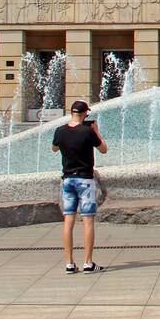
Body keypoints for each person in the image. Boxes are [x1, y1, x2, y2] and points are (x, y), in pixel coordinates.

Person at [52, 99, 108, 273]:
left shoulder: (60, 131)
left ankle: (69, 263)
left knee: (68, 220)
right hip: (85, 180)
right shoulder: (87, 132)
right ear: (85, 114)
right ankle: (88, 263)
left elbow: (54, 149)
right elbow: (104, 149)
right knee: (88, 221)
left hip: (67, 180)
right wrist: (96, 132)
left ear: (71, 112)